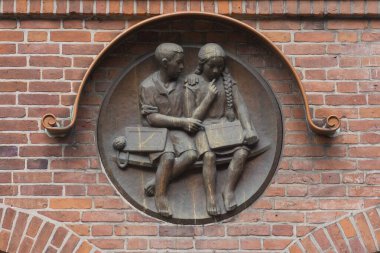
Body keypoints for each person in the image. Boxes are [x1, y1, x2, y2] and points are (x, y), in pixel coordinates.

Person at [184, 43, 258, 214]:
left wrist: (248, 129)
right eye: (212, 66)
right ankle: (211, 196)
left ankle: (229, 190)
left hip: (225, 128)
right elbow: (191, 119)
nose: (216, 71)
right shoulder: (192, 84)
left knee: (242, 152)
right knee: (209, 157)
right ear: (202, 65)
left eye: (220, 66)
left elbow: (241, 107)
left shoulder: (228, 82)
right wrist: (209, 97)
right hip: (202, 129)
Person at [139, 43, 201, 217]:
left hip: (176, 130)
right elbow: (152, 118)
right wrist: (182, 122)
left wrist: (195, 78)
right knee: (167, 157)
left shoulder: (183, 84)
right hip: (155, 131)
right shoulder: (147, 86)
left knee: (191, 154)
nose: (182, 67)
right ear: (165, 63)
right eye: (179, 63)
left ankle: (158, 181)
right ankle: (160, 195)